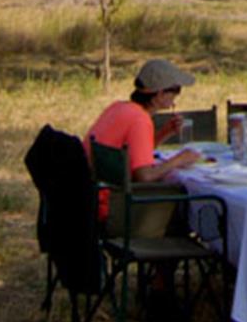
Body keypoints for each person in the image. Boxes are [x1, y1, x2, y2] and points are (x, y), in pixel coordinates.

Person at [85, 57, 203, 236]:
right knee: (183, 211)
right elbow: (145, 175)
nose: (177, 96)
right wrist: (178, 160)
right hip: (115, 210)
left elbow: (132, 155)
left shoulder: (119, 108)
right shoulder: (140, 120)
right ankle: (163, 258)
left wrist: (164, 133)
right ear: (160, 94)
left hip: (93, 200)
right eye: (175, 90)